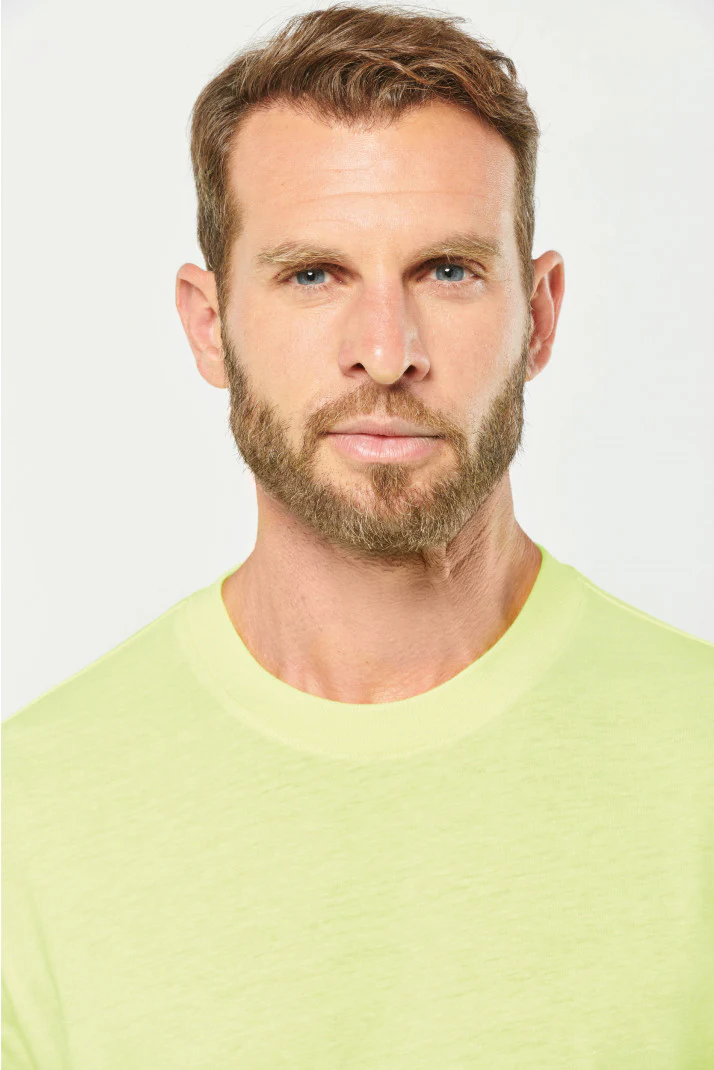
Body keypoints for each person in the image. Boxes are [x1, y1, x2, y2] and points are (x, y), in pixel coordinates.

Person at [3, 4, 713, 1066]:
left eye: (448, 270)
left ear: (541, 314)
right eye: (313, 274)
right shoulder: (29, 816)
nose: (386, 352)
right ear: (209, 325)